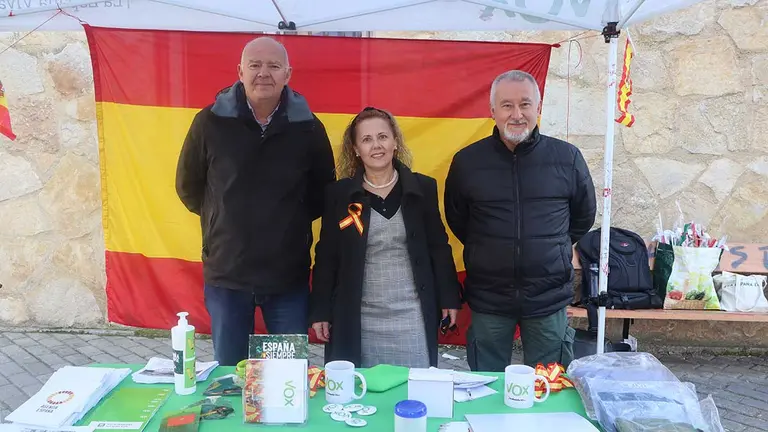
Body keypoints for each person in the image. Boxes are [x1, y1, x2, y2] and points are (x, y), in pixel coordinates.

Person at [175, 37, 336, 366]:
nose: (264, 73)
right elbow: (188, 187)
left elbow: (323, 195)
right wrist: (222, 219)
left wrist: (286, 225)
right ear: (240, 71)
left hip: (287, 278)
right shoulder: (209, 123)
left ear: (288, 74)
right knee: (230, 375)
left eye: (274, 66)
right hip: (227, 276)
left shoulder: (309, 128)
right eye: (255, 65)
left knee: (288, 373)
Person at [444, 70, 596, 372]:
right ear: (492, 111)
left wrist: (551, 248)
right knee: (486, 387)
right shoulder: (467, 162)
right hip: (489, 297)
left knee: (549, 389)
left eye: (525, 104)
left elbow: (583, 217)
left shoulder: (567, 158)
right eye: (507, 105)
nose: (516, 114)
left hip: (547, 297)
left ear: (538, 108)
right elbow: (458, 219)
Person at [309, 107, 462, 368]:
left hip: (411, 315)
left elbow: (438, 247)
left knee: (413, 393)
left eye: (382, 136)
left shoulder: (422, 188)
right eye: (366, 140)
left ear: (394, 142)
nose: (376, 145)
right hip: (358, 318)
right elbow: (327, 257)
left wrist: (449, 297)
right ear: (356, 149)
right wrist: (320, 310)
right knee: (361, 395)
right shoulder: (340, 195)